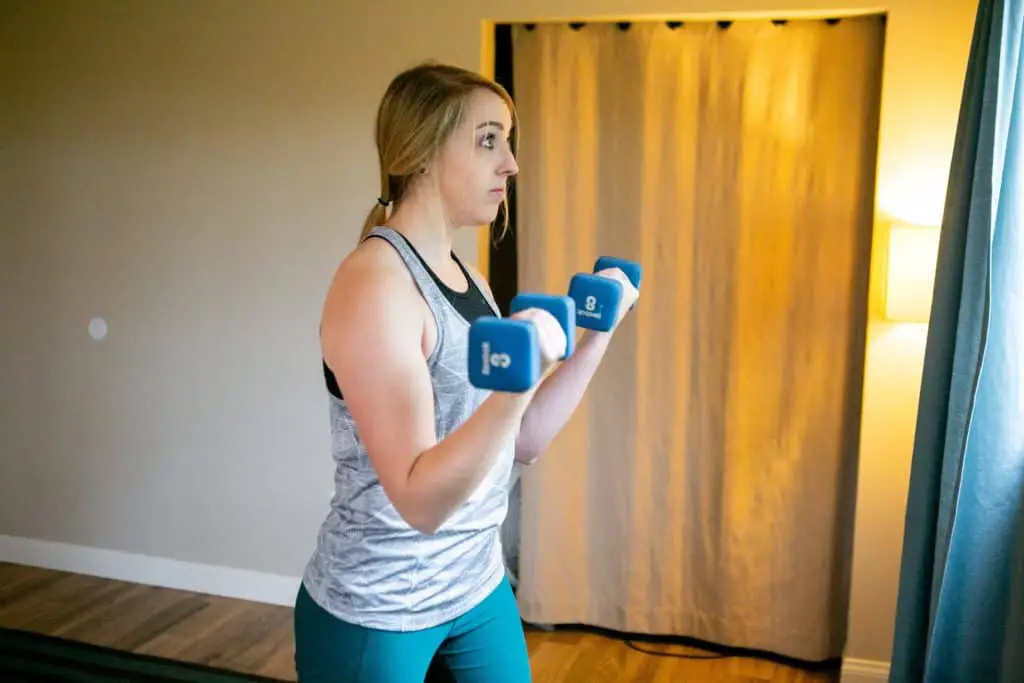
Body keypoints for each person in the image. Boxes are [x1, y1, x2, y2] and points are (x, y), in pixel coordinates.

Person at [293, 61, 640, 683]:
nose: (510, 163)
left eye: (507, 141)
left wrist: (597, 336)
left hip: (475, 586)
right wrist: (517, 380)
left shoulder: (467, 277)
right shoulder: (375, 285)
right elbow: (420, 499)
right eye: (488, 140)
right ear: (421, 153)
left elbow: (522, 441)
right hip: (381, 605)